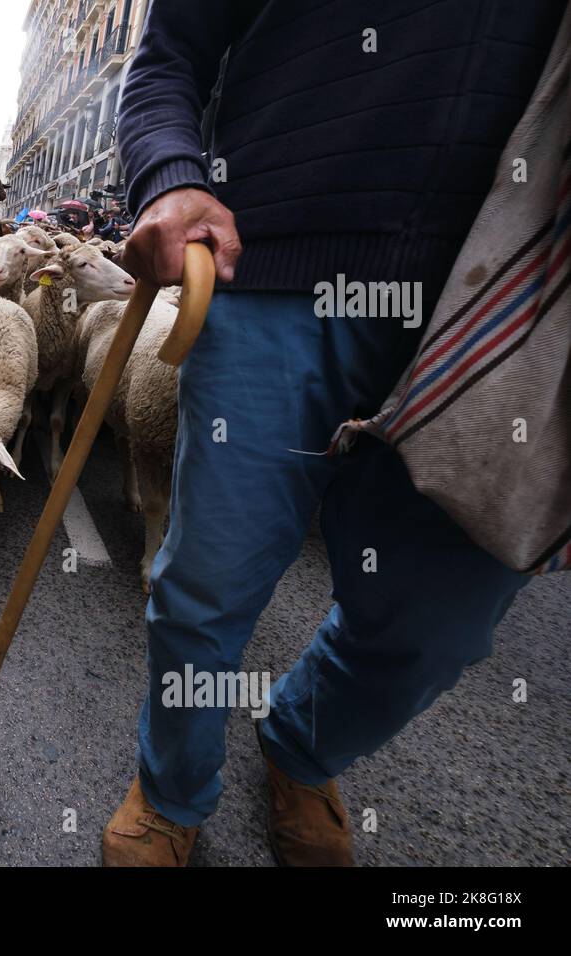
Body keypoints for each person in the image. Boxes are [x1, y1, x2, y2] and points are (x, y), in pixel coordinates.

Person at [103, 0, 564, 867]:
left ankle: (303, 743)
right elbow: (169, 54)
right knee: (207, 581)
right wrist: (170, 173)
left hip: (501, 310)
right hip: (274, 269)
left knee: (441, 622)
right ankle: (173, 787)